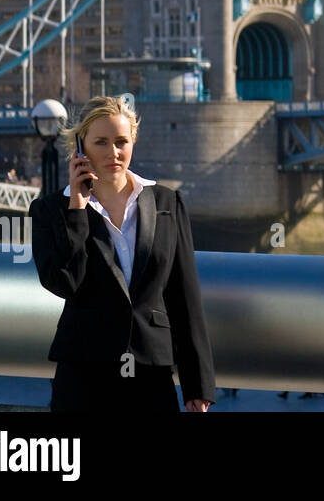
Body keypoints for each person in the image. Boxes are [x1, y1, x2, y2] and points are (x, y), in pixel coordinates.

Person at [28, 95, 216, 413]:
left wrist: (197, 384)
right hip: (83, 374)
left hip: (151, 374)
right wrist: (77, 207)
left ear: (132, 143)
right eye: (100, 142)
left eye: (121, 141)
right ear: (80, 145)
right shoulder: (50, 211)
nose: (113, 152)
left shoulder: (167, 203)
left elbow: (184, 295)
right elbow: (63, 282)